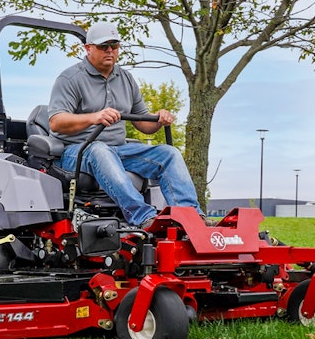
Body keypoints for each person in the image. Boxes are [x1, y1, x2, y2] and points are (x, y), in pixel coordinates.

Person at [48, 21, 206, 228]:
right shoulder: (70, 79)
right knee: (100, 150)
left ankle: (190, 217)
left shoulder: (125, 78)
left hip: (119, 150)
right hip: (76, 152)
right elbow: (56, 122)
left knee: (169, 153)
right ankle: (143, 217)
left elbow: (142, 122)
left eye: (114, 46)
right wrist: (94, 117)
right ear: (88, 48)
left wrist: (158, 118)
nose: (110, 51)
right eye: (104, 46)